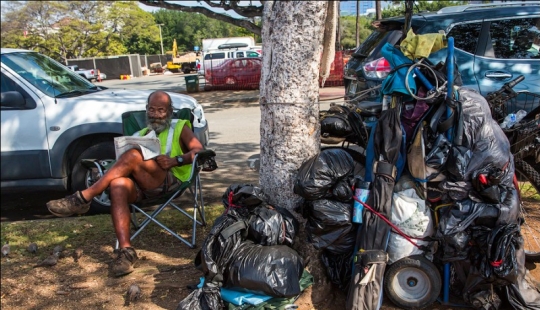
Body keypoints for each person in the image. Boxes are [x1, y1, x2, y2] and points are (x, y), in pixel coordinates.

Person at [46, 90, 204, 277]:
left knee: (134, 155)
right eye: (152, 110)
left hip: (170, 180)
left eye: (161, 110)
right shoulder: (140, 133)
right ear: (146, 110)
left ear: (170, 111)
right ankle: (126, 252)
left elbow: (199, 150)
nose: (155, 115)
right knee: (118, 184)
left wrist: (175, 160)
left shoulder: (180, 126)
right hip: (140, 186)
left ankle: (84, 197)